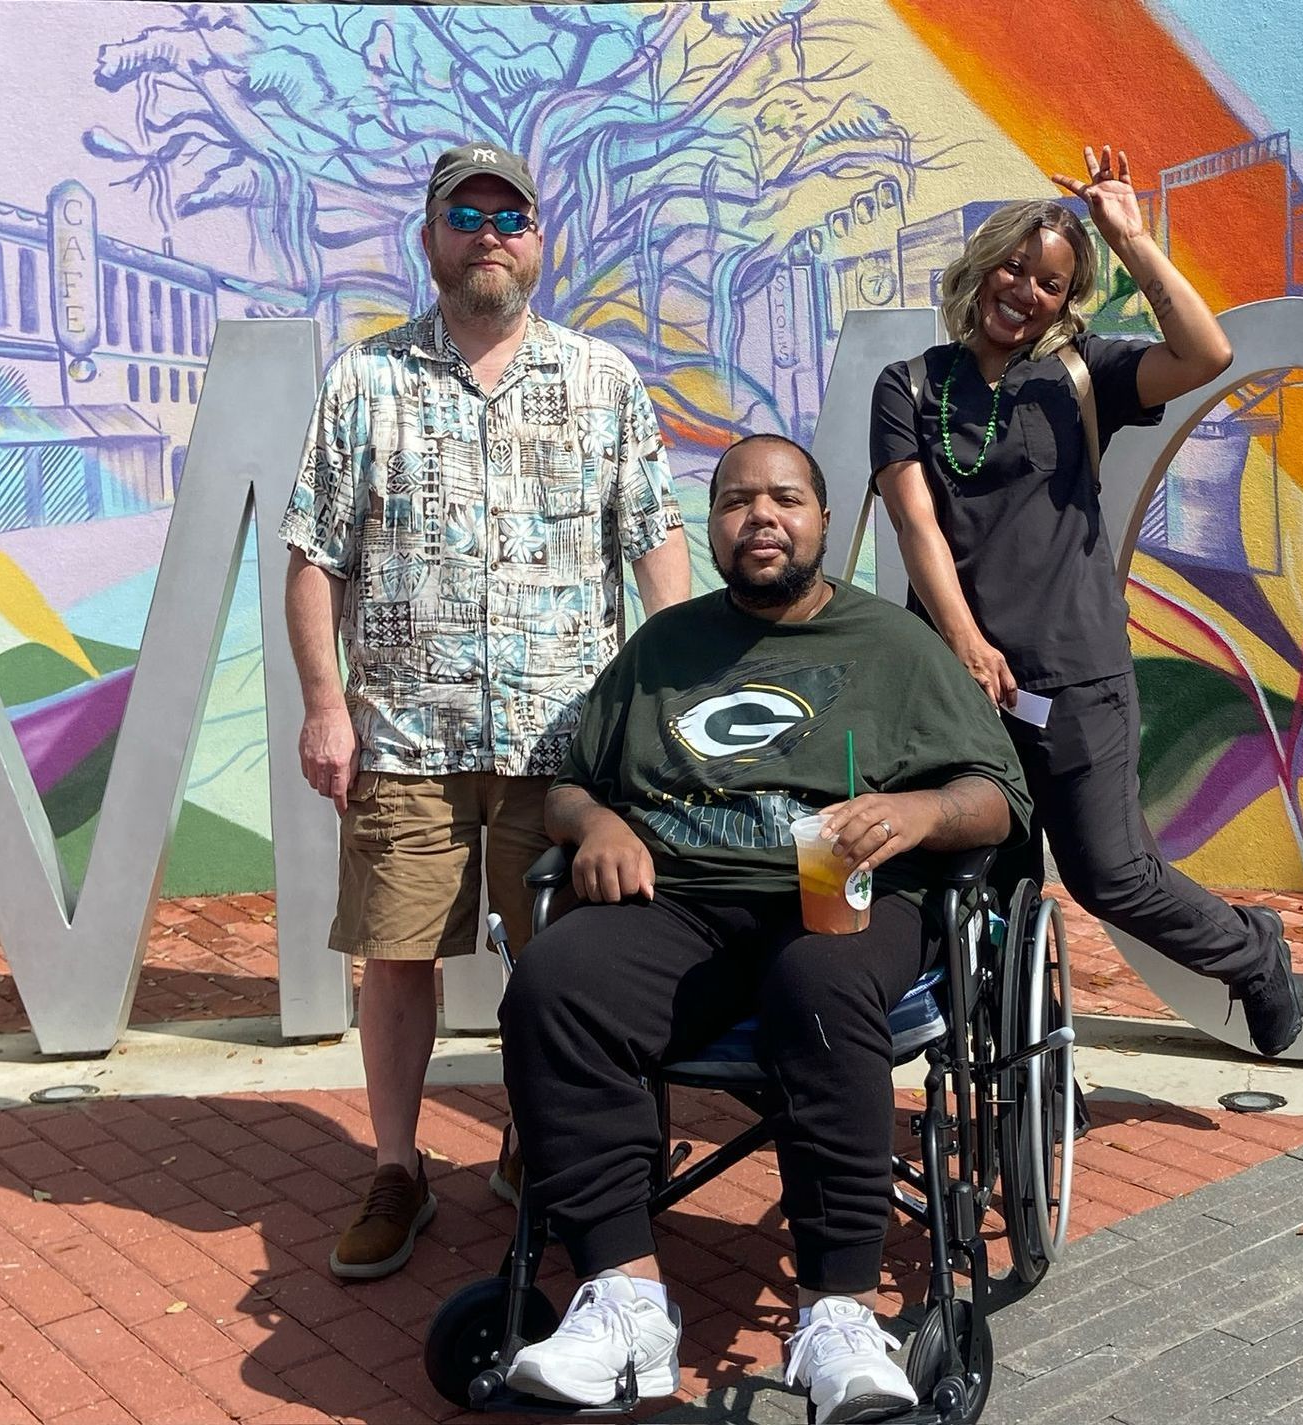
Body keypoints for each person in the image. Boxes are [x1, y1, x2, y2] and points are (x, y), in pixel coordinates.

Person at [496, 433, 1032, 1422]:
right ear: (713, 528)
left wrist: (915, 816)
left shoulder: (893, 646)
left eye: (785, 498)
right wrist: (597, 823)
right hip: (684, 901)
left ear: (824, 520)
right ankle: (624, 1304)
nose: (761, 517)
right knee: (554, 980)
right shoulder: (665, 648)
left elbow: (993, 798)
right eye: (737, 501)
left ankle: (837, 1313)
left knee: (817, 983)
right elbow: (568, 785)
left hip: (844, 896)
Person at [280, 140, 691, 1282]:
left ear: (540, 241)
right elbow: (316, 557)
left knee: (563, 962)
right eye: (466, 214)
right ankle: (398, 1169)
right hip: (407, 736)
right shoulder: (364, 381)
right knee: (397, 955)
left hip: (567, 747)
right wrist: (326, 707)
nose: (490, 234)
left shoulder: (602, 381)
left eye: (511, 217)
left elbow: (654, 545)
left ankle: (538, 1138)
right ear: (430, 239)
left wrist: (676, 703)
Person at [869, 145, 1303, 1057]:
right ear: (984, 263)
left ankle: (1250, 953)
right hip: (959, 685)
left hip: (1076, 677)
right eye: (1017, 268)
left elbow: (1207, 351)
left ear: (1068, 302)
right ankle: (1019, 1069)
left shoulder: (1082, 376)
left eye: (1054, 283)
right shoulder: (910, 385)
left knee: (1112, 874)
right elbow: (916, 523)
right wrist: (965, 643)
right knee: (983, 884)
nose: (1026, 290)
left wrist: (1133, 239)